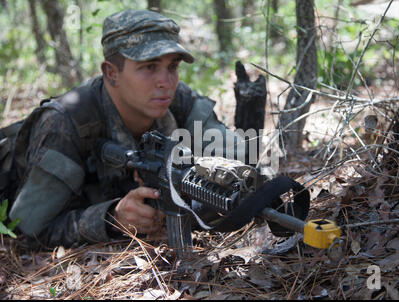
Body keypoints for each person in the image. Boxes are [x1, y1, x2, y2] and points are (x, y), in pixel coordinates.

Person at [6, 9, 246, 248]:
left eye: (172, 67)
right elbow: (28, 229)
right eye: (149, 67)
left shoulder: (177, 99)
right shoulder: (65, 122)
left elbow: (235, 155)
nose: (166, 82)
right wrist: (111, 218)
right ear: (111, 73)